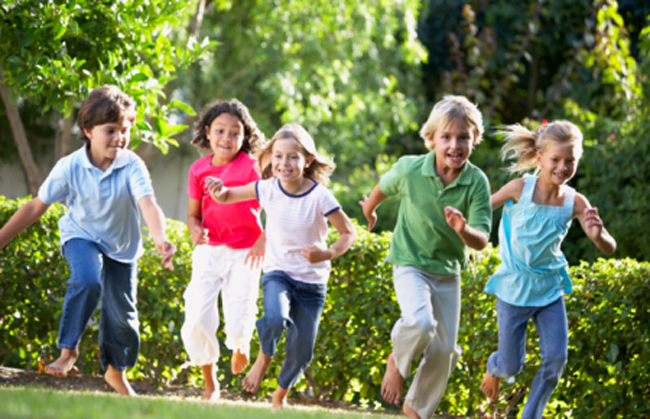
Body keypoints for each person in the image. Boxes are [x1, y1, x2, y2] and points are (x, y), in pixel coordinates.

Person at [0, 85, 176, 396]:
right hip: (81, 236)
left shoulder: (132, 164)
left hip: (122, 247)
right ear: (88, 130)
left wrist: (160, 238)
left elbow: (148, 203)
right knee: (87, 280)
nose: (120, 138)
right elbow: (34, 207)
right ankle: (69, 351)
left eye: (125, 130)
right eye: (111, 130)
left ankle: (115, 372)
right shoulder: (69, 167)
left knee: (123, 318)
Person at [205, 123, 357, 408]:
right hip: (279, 274)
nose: (283, 163)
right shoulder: (267, 188)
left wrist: (327, 253)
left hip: (312, 283)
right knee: (274, 318)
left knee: (302, 352)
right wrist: (218, 189)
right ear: (270, 158)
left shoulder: (320, 196)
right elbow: (227, 196)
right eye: (278, 156)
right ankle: (264, 356)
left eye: (292, 157)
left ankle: (279, 395)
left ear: (307, 160)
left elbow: (349, 233)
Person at [360, 95, 492, 419]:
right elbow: (383, 187)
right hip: (410, 263)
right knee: (420, 322)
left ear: (474, 139)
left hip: (448, 273)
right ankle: (397, 362)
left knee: (446, 350)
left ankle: (416, 410)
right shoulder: (410, 169)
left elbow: (482, 240)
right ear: (431, 138)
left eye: (463, 137)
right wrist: (369, 209)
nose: (455, 145)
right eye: (446, 137)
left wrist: (463, 229)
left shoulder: (477, 182)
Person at [480, 120, 616, 418]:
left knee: (556, 359)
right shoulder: (519, 188)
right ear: (539, 157)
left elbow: (609, 247)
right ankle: (495, 366)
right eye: (556, 159)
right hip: (514, 288)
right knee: (511, 365)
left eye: (571, 161)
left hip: (549, 290)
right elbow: (482, 208)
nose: (563, 166)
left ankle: (531, 415)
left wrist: (598, 235)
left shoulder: (575, 202)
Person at [180, 99, 266, 401]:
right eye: (220, 131)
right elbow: (193, 214)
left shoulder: (253, 167)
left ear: (245, 136)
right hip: (210, 248)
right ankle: (210, 383)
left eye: (234, 133)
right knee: (197, 316)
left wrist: (263, 239)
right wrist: (193, 228)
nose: (226, 139)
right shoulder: (198, 169)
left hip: (246, 251)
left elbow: (279, 204)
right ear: (208, 132)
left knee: (240, 310)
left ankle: (241, 346)